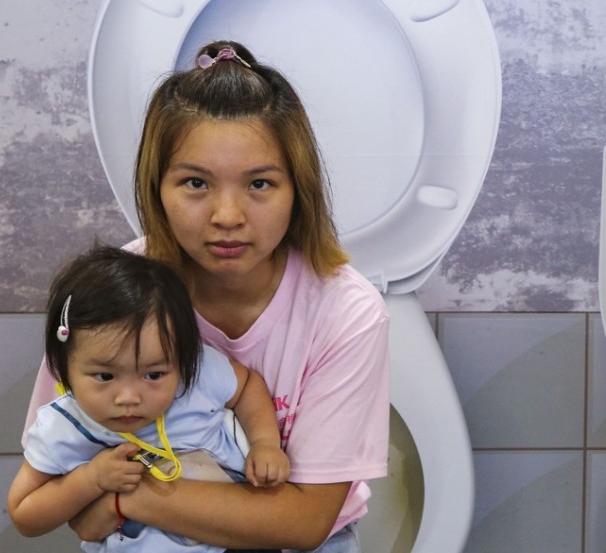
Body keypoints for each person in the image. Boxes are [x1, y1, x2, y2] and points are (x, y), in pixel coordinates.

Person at [22, 41, 390, 552]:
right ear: (156, 188)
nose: (227, 216)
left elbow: (305, 524)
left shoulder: (345, 312)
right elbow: (48, 481)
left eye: (260, 183)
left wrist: (125, 502)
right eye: (195, 182)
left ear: (297, 190)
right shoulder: (107, 297)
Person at [8, 245, 289, 552]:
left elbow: (247, 386)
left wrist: (265, 443)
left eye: (154, 375)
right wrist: (91, 479)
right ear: (62, 368)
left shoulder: (194, 377)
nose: (129, 397)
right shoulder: (62, 427)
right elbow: (24, 513)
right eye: (105, 377)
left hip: (240, 535)